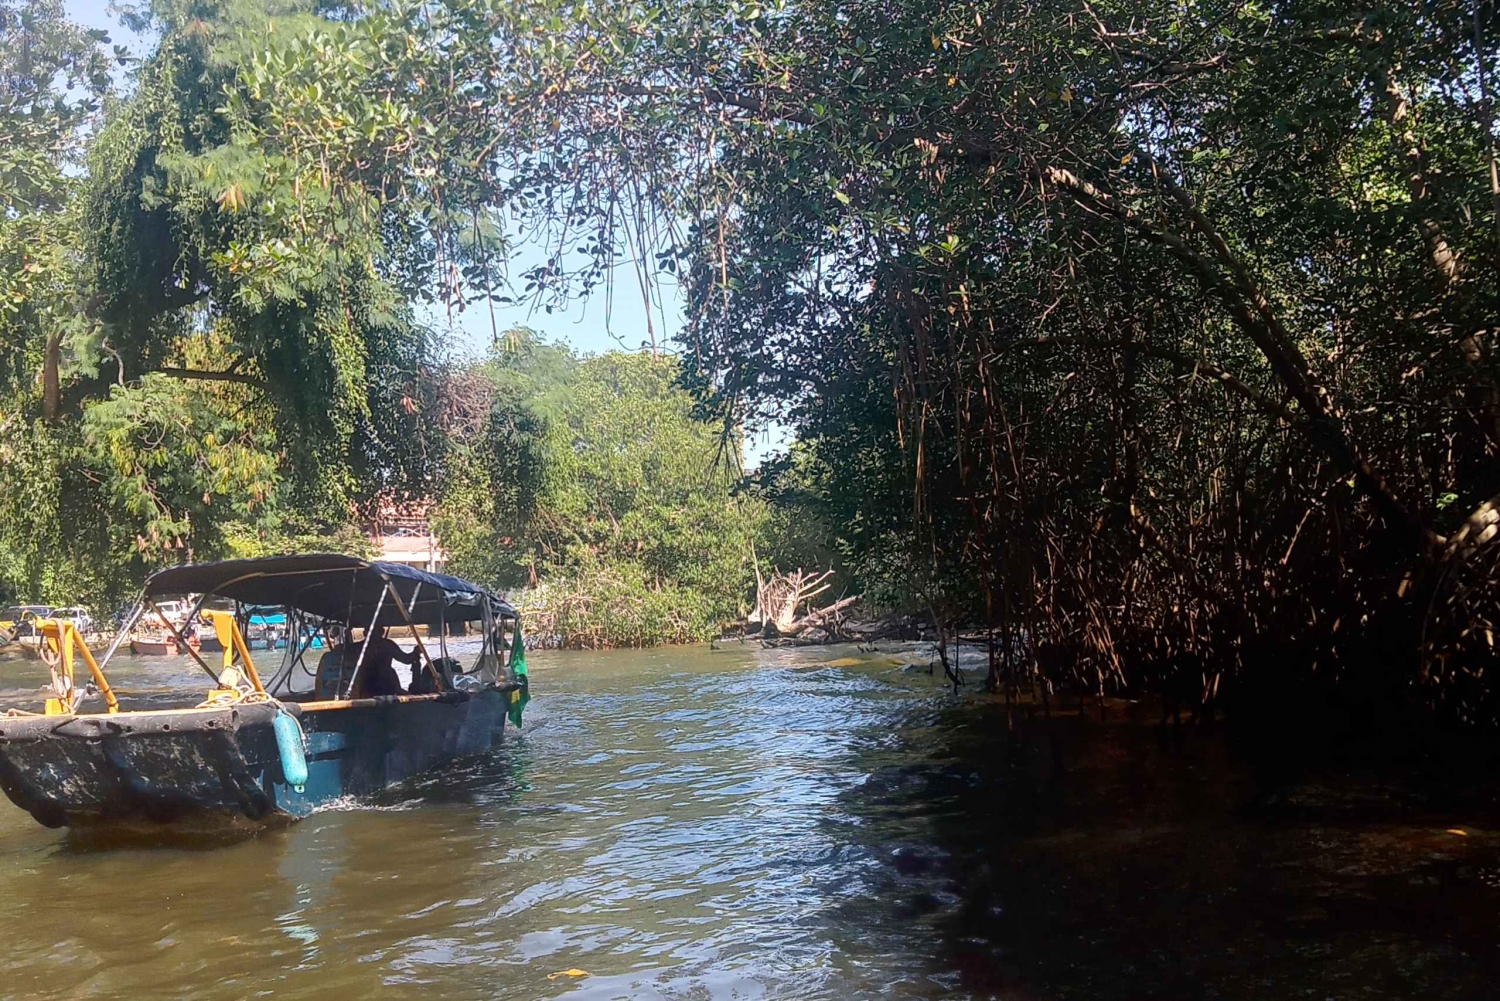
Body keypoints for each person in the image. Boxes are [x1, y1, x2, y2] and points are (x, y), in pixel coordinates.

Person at [351, 624, 419, 698]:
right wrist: (415, 653)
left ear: (382, 632)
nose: (373, 635)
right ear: (364, 633)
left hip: (387, 682)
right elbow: (406, 659)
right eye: (371, 631)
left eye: (375, 632)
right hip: (367, 683)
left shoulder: (387, 645)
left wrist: (415, 653)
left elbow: (406, 659)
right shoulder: (358, 647)